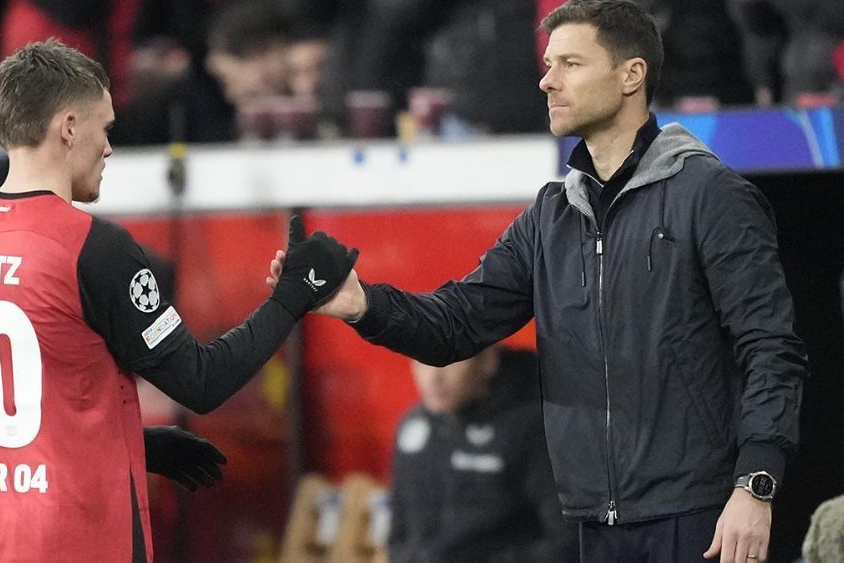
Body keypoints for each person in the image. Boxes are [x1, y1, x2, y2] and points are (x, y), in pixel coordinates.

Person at [268, 1, 807, 561]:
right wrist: (361, 303)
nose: (547, 80)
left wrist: (756, 485)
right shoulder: (550, 217)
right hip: (591, 524)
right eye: (548, 64)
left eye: (570, 64)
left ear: (631, 74)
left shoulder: (710, 196)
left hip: (701, 519)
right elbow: (456, 324)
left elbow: (771, 349)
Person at [0, 39, 357, 562]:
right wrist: (293, 295)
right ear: (69, 126)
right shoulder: (91, 247)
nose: (108, 147)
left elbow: (10, 407)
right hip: (67, 542)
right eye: (104, 128)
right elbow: (201, 381)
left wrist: (132, 443)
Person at [388, 346, 576, 562]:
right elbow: (398, 534)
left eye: (449, 361)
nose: (434, 376)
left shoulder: (533, 428)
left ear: (488, 361)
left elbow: (567, 542)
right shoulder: (411, 427)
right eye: (421, 360)